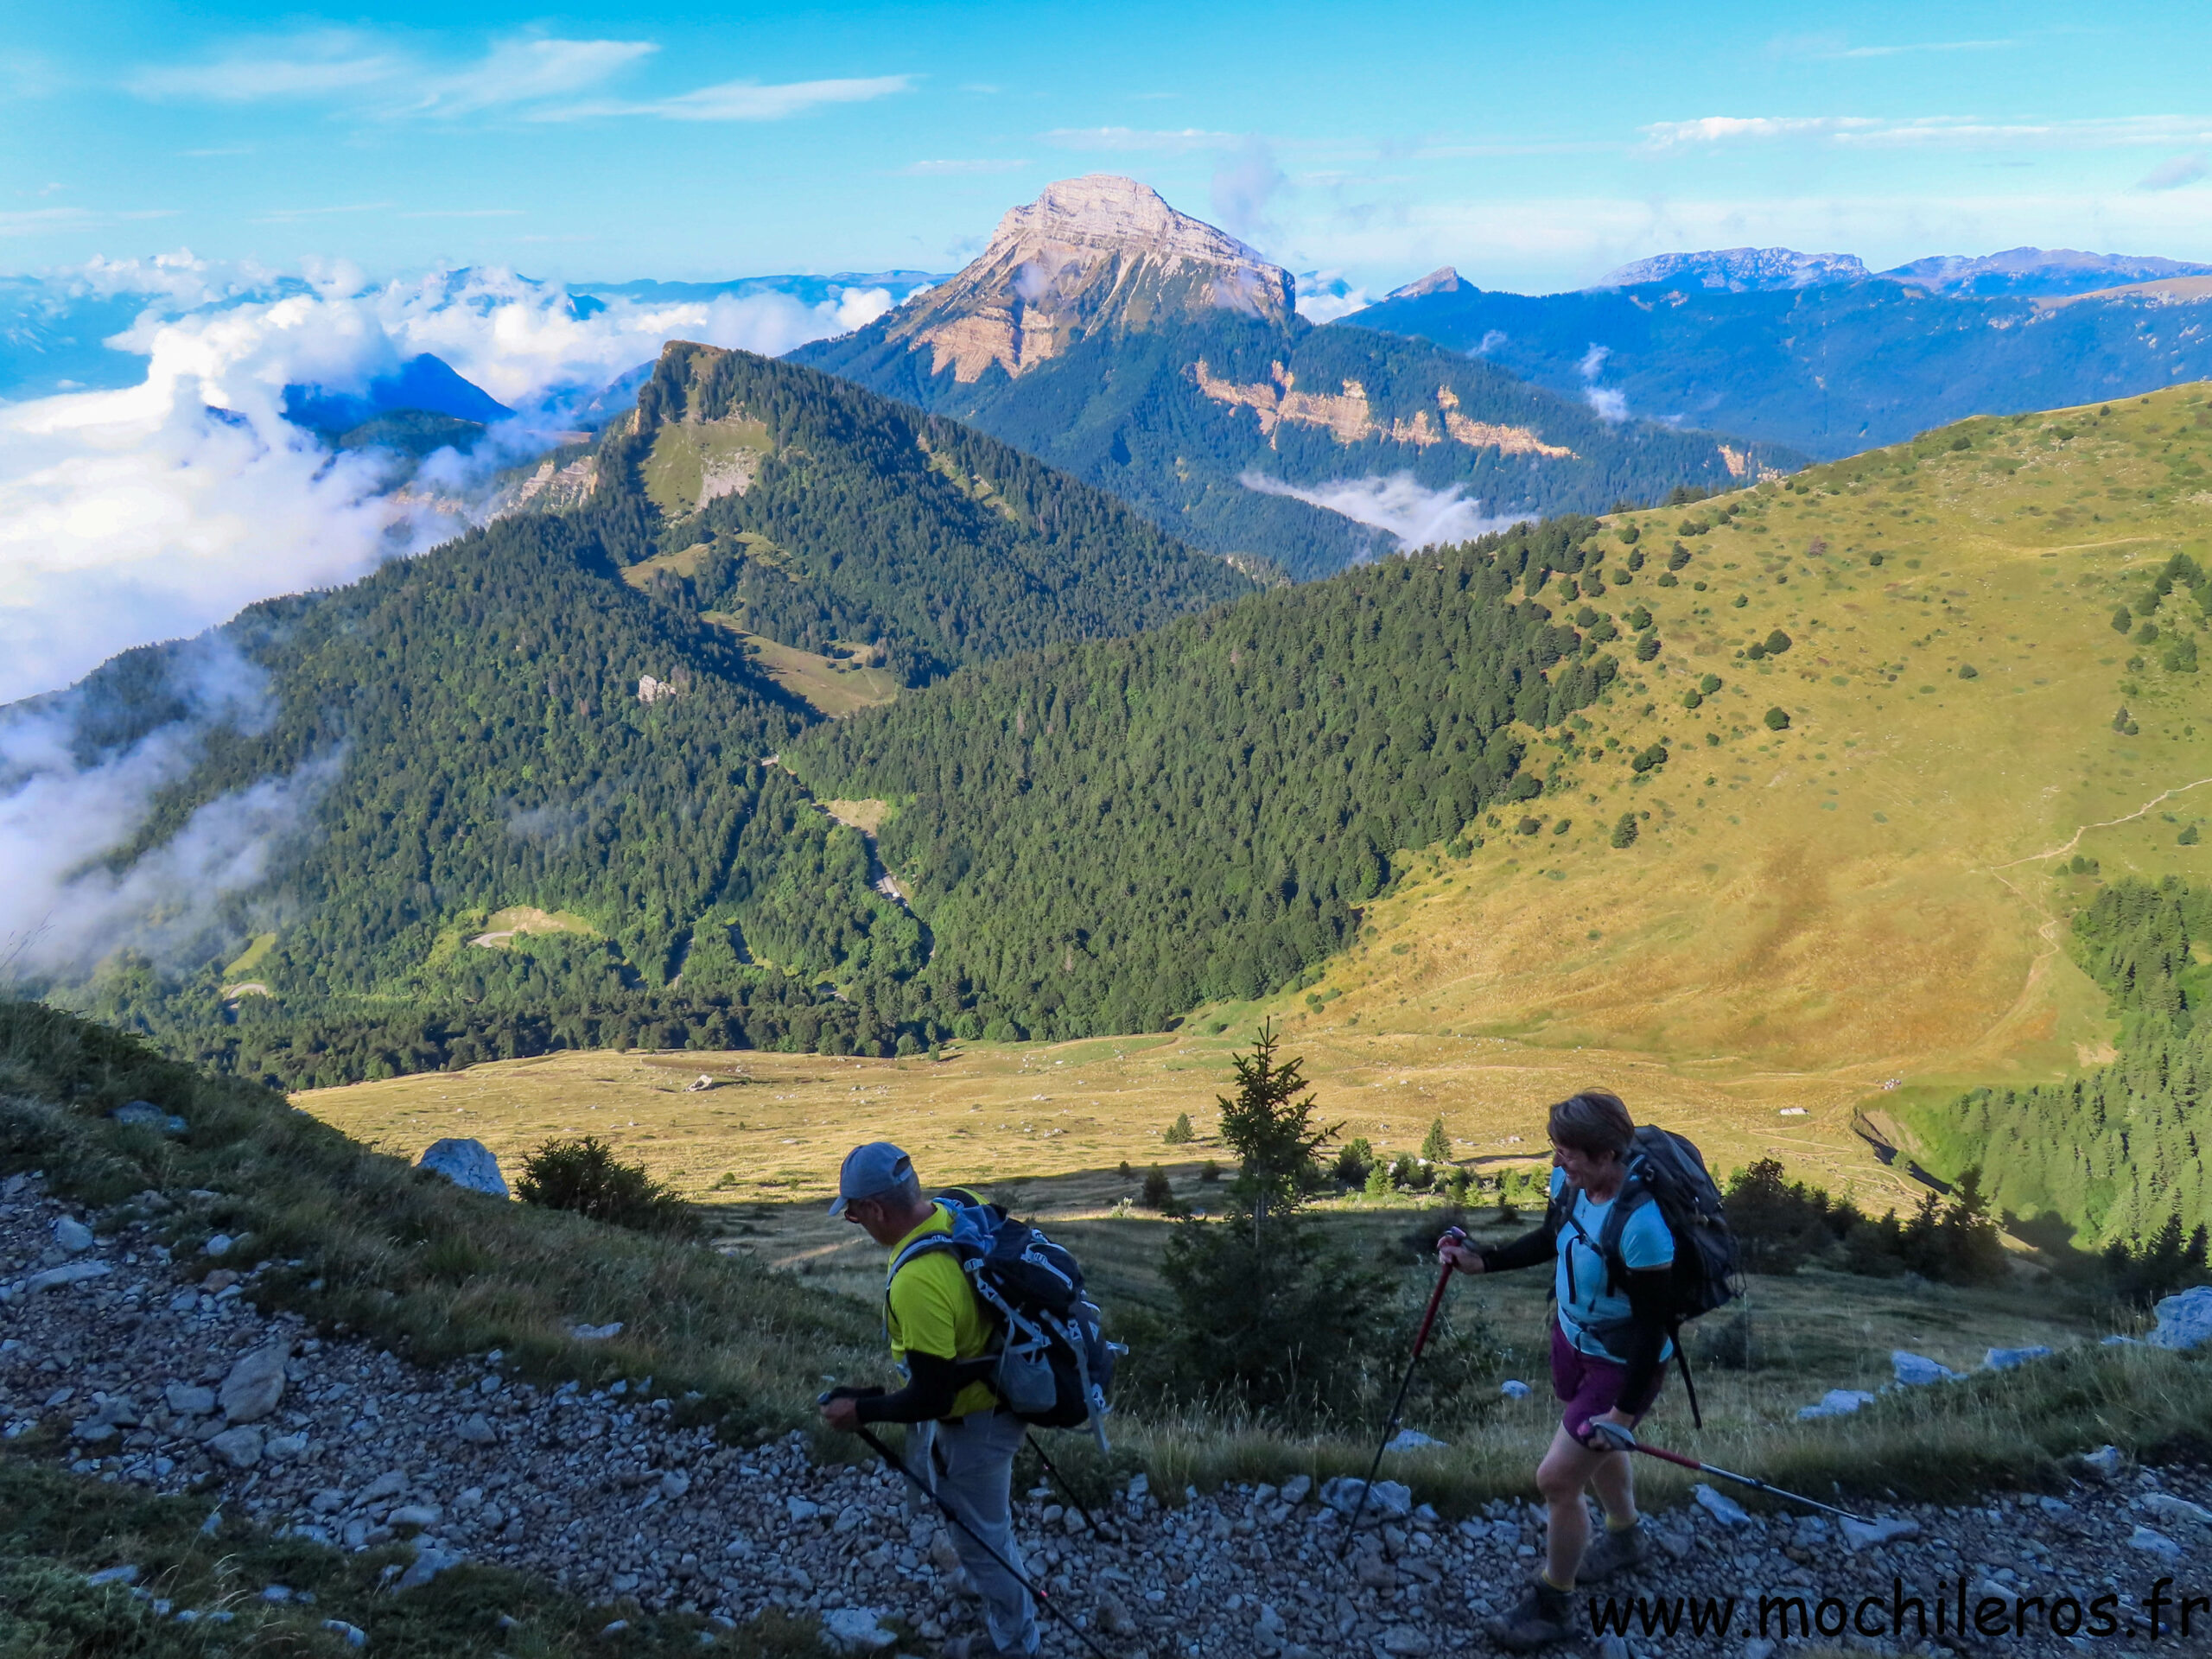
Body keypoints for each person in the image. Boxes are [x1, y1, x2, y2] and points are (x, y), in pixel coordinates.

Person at [1439, 1090, 1673, 1651]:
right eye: (1556, 1148)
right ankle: (1626, 1537)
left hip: (1622, 1364)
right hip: (1572, 1340)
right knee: (1597, 1447)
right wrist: (1484, 1260)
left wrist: (1622, 1414)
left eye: (1568, 1151)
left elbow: (1653, 1330)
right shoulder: (1568, 1184)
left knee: (1558, 1479)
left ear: (1605, 1154)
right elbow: (1551, 1237)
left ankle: (1553, 1605)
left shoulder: (1644, 1227)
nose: (1557, 1160)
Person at [817, 1142, 1039, 1659]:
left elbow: (934, 1396)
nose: (854, 1222)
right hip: (997, 1395)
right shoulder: (957, 1207)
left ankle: (1016, 1643)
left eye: (852, 1213)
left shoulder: (918, 1281)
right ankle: (997, 1599)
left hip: (977, 1421)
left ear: (875, 1209)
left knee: (983, 1539)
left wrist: (861, 1411)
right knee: (983, 1525)